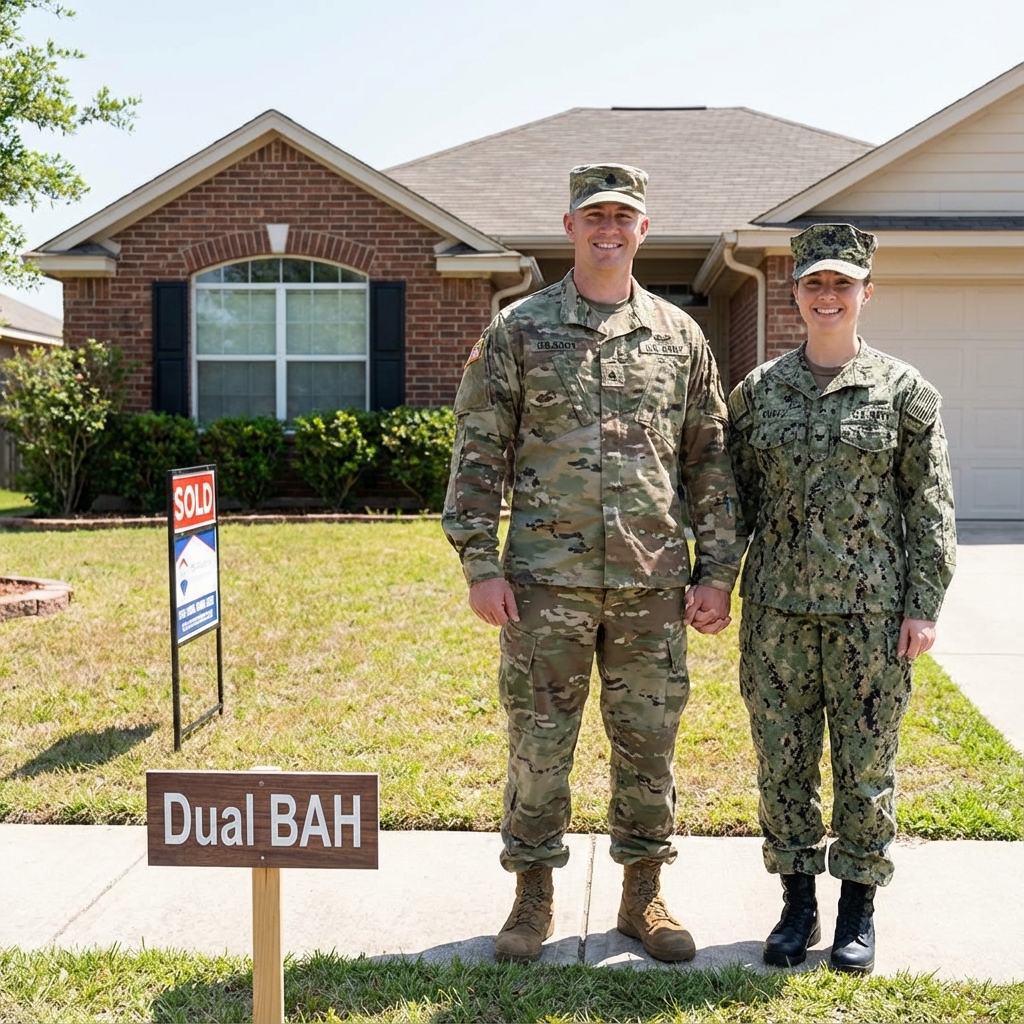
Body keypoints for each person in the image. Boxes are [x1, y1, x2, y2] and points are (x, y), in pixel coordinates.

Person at [442, 164, 745, 963]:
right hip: (544, 584)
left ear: (644, 230)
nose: (609, 229)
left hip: (654, 586)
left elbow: (709, 460)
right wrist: (480, 562)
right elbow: (479, 450)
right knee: (540, 744)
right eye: (594, 216)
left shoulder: (680, 337)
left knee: (649, 743)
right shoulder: (519, 330)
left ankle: (643, 894)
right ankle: (532, 896)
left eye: (624, 217)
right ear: (569, 225)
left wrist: (717, 570)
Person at [727, 223, 956, 974]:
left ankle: (858, 905)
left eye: (842, 284)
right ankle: (797, 905)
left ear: (866, 292)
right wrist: (713, 584)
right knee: (782, 762)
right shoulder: (758, 394)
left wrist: (923, 604)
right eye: (814, 283)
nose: (828, 296)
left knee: (865, 765)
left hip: (871, 618)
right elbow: (733, 503)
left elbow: (929, 507)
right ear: (795, 293)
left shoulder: (906, 393)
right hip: (778, 617)